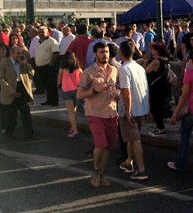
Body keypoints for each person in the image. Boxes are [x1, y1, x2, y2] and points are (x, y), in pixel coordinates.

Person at [77, 42, 120, 188]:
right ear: (95, 54)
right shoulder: (88, 72)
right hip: (95, 113)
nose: (105, 55)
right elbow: (79, 95)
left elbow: (116, 89)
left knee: (109, 145)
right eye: (101, 52)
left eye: (107, 52)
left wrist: (117, 94)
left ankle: (101, 174)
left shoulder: (114, 70)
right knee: (100, 144)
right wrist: (95, 90)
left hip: (111, 112)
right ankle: (95, 171)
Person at [117, 41, 150, 181]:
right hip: (141, 108)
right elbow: (146, 88)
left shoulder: (123, 69)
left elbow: (126, 92)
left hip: (129, 110)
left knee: (135, 139)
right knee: (131, 138)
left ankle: (141, 169)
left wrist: (128, 112)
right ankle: (129, 162)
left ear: (121, 53)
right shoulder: (140, 68)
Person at [0, 46, 35, 140]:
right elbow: (0, 79)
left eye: (21, 53)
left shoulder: (22, 62)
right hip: (10, 91)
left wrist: (25, 64)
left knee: (26, 113)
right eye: (18, 53)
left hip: (22, 89)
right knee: (11, 116)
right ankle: (10, 133)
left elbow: (32, 73)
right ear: (11, 53)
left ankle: (29, 134)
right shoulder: (4, 63)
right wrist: (11, 92)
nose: (20, 55)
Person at [145, 42, 171, 136]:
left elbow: (145, 71)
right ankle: (159, 127)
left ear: (157, 51)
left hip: (155, 87)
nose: (151, 51)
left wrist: (145, 61)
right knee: (159, 107)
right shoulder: (166, 60)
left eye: (153, 49)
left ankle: (160, 128)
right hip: (163, 86)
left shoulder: (156, 62)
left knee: (155, 108)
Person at [58, 51, 82, 138]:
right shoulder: (78, 68)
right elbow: (82, 78)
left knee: (71, 112)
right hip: (77, 90)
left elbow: (59, 81)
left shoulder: (62, 69)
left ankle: (75, 131)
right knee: (74, 110)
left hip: (67, 90)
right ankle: (73, 127)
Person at [35, 26, 60, 106]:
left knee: (52, 84)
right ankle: (49, 100)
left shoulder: (51, 41)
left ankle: (54, 101)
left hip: (49, 66)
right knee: (45, 85)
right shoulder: (38, 41)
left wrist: (51, 63)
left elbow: (55, 53)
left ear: (47, 32)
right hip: (40, 67)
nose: (41, 34)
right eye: (39, 32)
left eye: (43, 32)